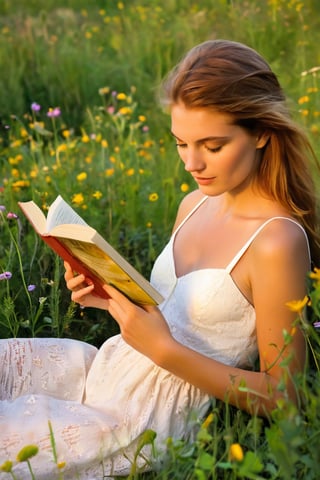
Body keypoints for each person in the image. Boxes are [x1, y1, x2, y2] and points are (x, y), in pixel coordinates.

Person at [1, 39, 319, 479]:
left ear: (262, 132)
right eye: (181, 143)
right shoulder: (193, 204)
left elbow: (287, 398)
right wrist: (109, 295)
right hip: (110, 367)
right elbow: (168, 309)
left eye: (213, 145)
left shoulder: (276, 240)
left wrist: (163, 349)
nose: (192, 163)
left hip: (146, 419)